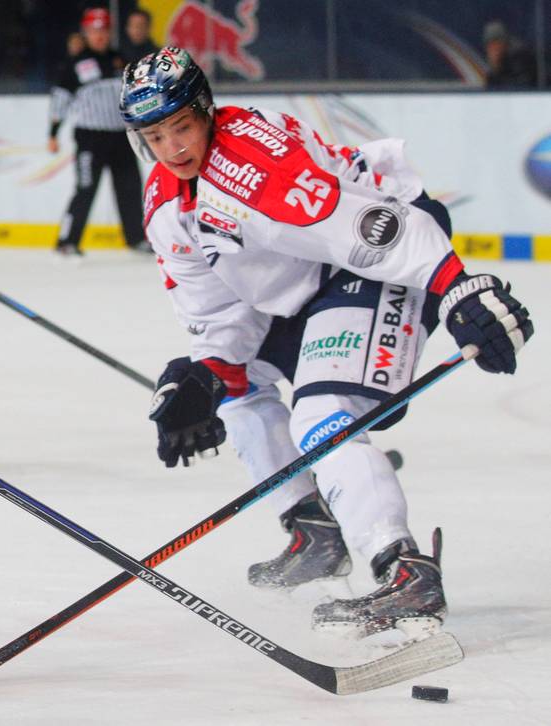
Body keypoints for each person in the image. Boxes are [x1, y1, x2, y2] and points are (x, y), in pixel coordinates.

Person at [123, 47, 533, 638]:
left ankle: (404, 571)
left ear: (206, 111)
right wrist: (209, 371)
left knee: (323, 413)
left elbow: (371, 229)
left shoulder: (251, 167)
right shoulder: (167, 203)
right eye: (155, 136)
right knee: (238, 391)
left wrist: (457, 288)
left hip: (379, 263)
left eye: (182, 127)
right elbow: (220, 310)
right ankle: (312, 528)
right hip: (310, 281)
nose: (173, 148)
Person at [49, 7, 147, 257]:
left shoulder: (120, 60)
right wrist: (53, 133)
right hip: (90, 137)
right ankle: (67, 240)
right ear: (86, 33)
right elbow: (60, 99)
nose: (99, 36)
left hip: (122, 137)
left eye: (103, 31)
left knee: (129, 188)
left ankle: (136, 238)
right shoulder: (75, 64)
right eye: (94, 31)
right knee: (85, 188)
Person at [482, 20, 537, 89]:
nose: (494, 49)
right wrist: (495, 69)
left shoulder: (520, 59)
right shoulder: (493, 69)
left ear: (505, 44)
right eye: (490, 45)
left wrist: (498, 65)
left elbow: (520, 87)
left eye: (497, 44)